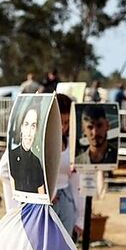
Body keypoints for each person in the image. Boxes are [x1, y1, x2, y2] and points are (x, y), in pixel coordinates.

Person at [51, 94, 81, 241]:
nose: (63, 127)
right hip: (45, 204)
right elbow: (5, 170)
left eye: (67, 122)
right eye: (59, 122)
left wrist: (80, 218)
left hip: (67, 200)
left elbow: (77, 182)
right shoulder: (37, 143)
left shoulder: (71, 144)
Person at [9, 101, 45, 197]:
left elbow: (41, 192)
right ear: (21, 127)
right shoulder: (11, 156)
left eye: (33, 126)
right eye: (26, 124)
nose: (29, 132)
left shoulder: (36, 161)